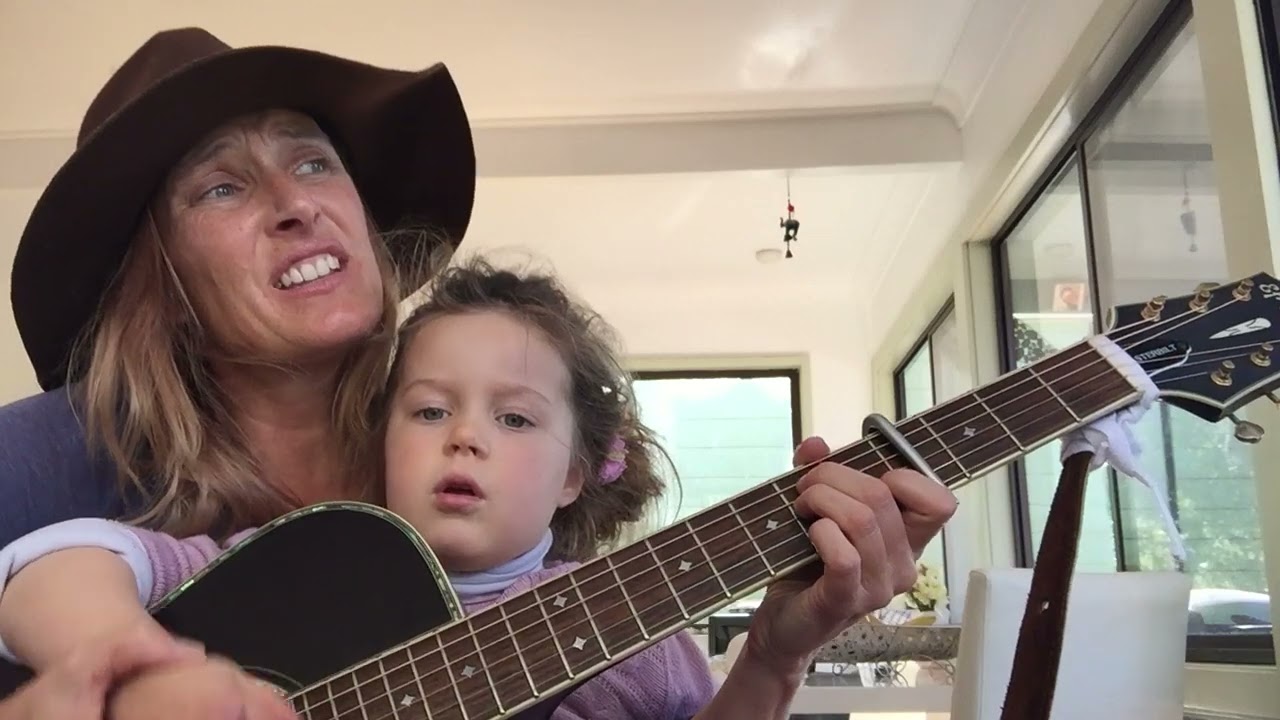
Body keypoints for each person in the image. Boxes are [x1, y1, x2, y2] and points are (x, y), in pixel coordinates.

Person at [0, 26, 957, 719]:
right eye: (222, 186)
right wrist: (126, 674)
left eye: (316, 163)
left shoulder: (501, 533)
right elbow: (55, 569)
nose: (296, 204)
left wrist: (777, 659)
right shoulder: (43, 460)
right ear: (160, 281)